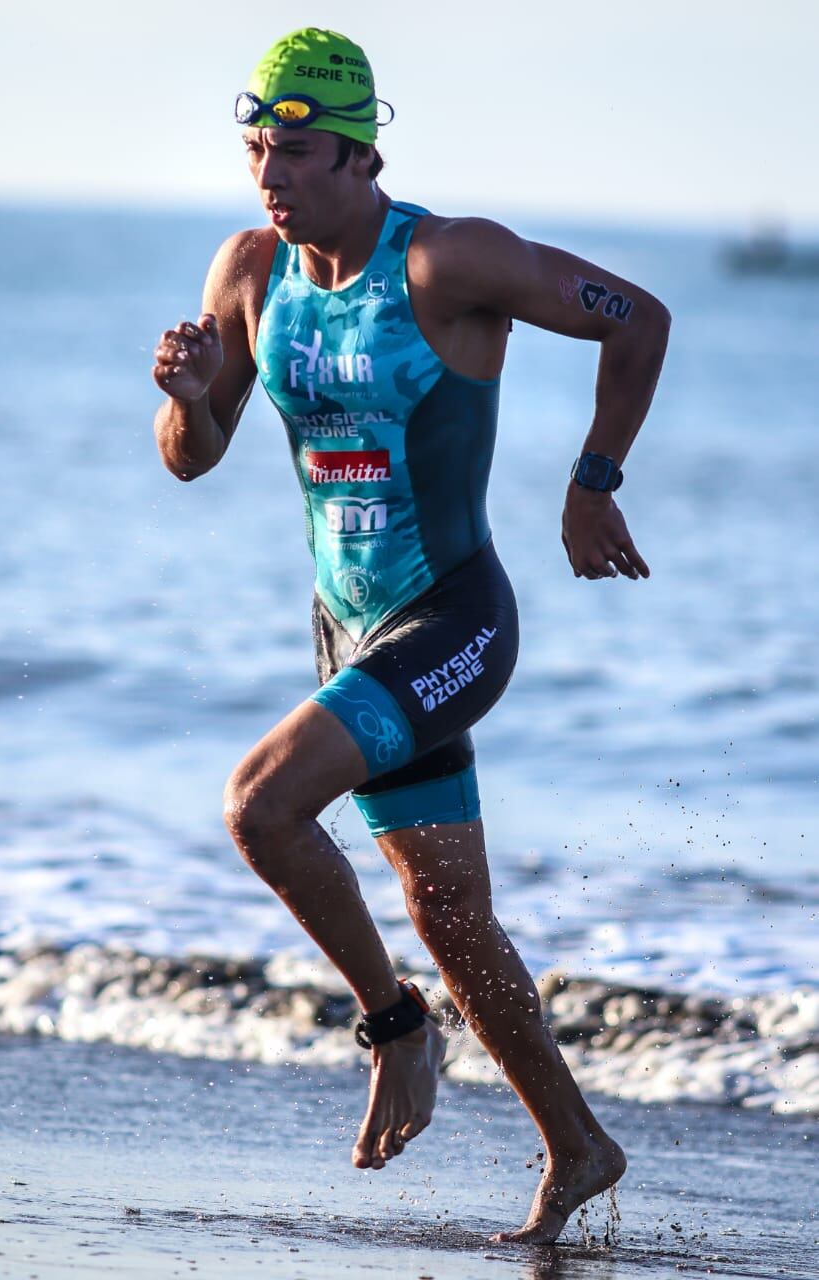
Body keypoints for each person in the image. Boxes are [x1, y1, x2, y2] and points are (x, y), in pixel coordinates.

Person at [152, 27, 670, 1245]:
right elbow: (196, 458)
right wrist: (181, 404)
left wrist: (593, 480)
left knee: (260, 805)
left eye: (293, 153)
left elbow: (637, 317)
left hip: (451, 620)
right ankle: (579, 1144)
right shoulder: (251, 270)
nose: (268, 177)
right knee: (450, 914)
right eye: (255, 153)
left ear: (358, 152)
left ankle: (395, 1029)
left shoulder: (447, 261)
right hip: (348, 630)